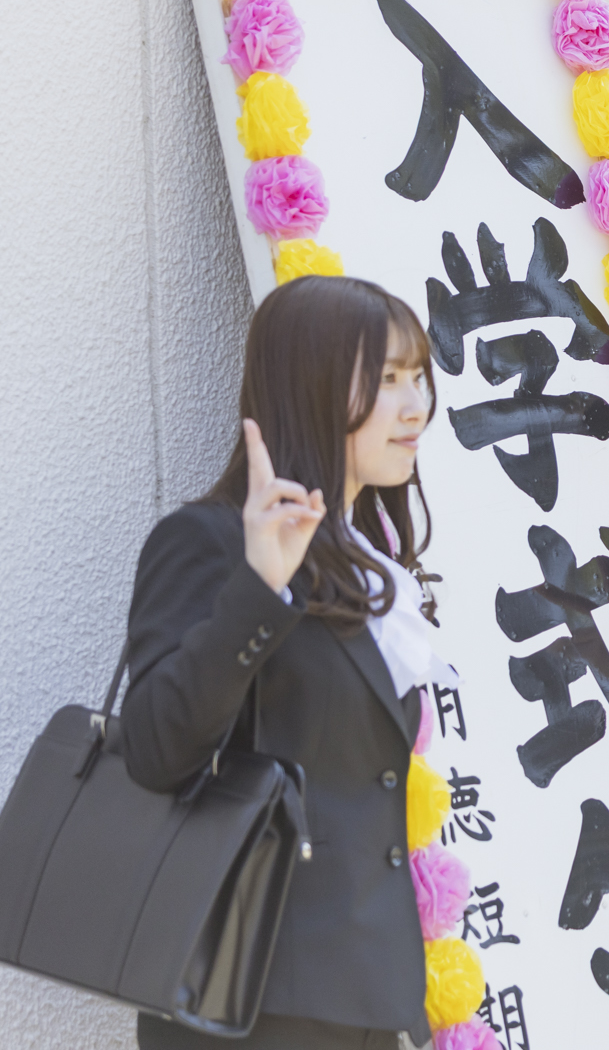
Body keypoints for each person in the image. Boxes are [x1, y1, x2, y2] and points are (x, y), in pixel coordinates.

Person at [121, 276, 448, 1050]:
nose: (416, 408)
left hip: (369, 992)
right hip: (252, 1001)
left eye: (418, 377)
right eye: (388, 380)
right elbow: (156, 748)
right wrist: (260, 587)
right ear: (314, 386)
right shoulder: (206, 542)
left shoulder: (372, 562)